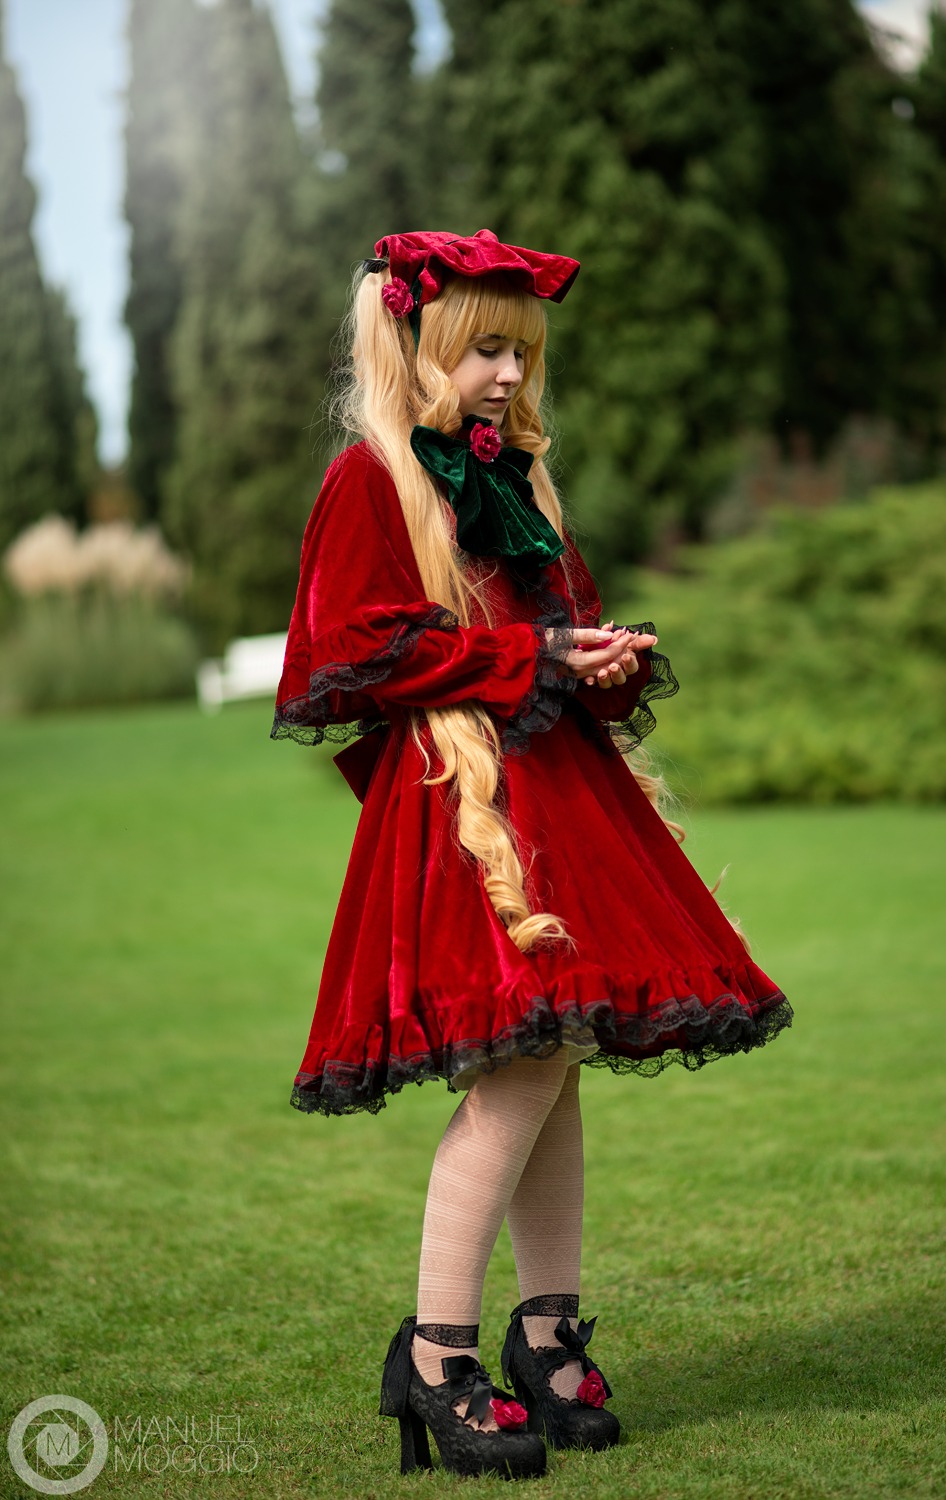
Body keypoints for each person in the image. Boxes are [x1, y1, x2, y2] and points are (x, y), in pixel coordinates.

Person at [272, 229, 791, 1480]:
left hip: (563, 798)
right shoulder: (371, 480)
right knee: (515, 1067)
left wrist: (595, 655)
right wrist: (530, 661)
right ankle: (438, 1357)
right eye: (486, 350)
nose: (510, 376)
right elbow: (362, 653)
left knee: (553, 1057)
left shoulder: (519, 480)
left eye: (522, 352)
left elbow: (551, 632)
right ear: (415, 341)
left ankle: (545, 1331)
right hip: (465, 802)